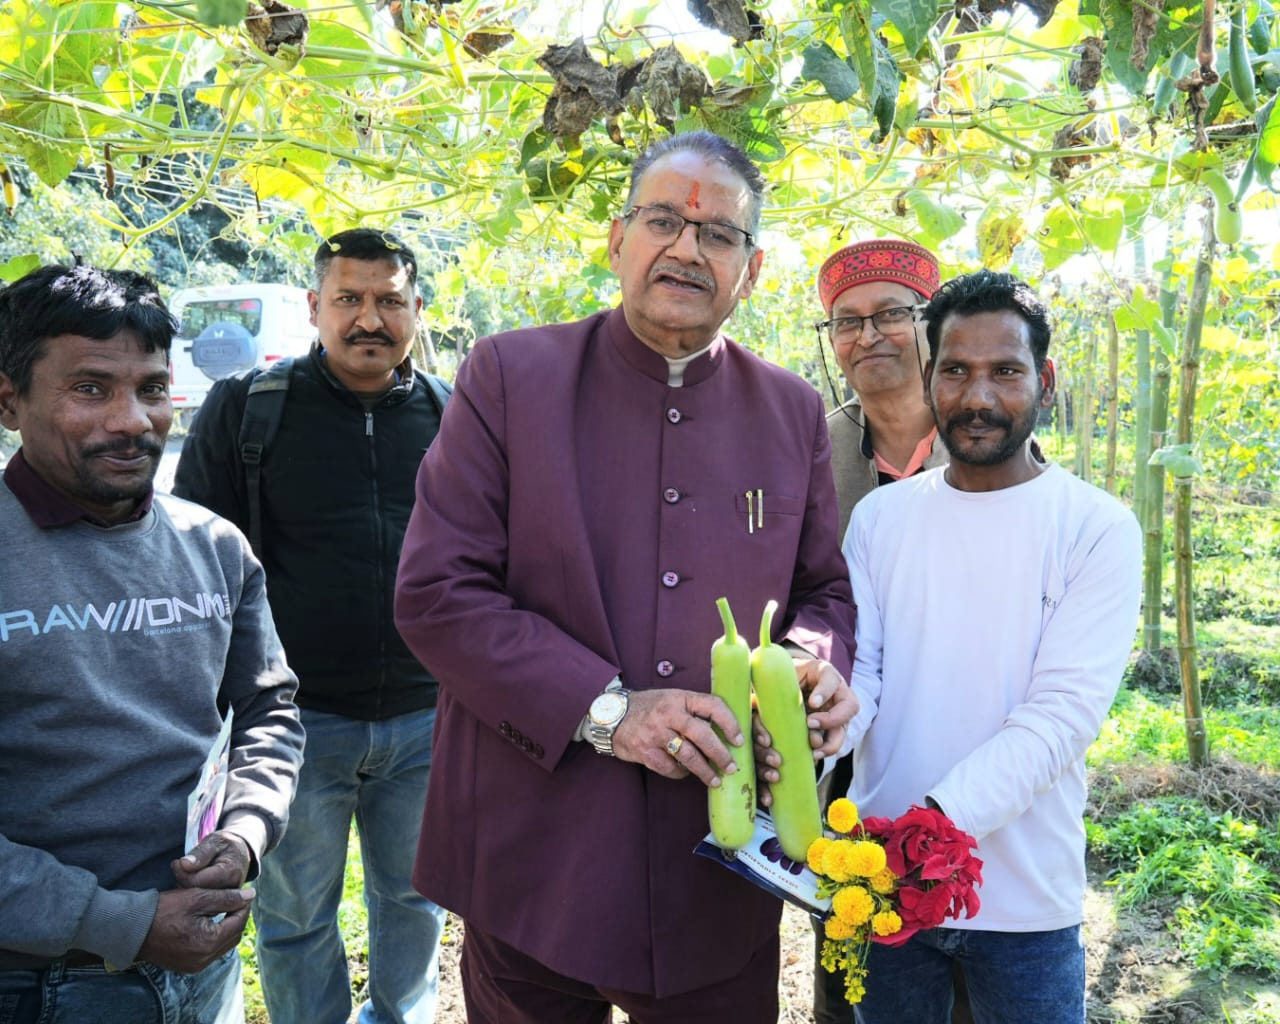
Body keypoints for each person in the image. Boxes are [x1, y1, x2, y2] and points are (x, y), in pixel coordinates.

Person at [393, 130, 859, 1023]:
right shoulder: (509, 377)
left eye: (718, 234)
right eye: (662, 221)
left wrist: (808, 664)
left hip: (715, 864)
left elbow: (821, 592)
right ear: (617, 241)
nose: (687, 248)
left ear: (752, 272)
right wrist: (610, 711)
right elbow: (438, 594)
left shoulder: (791, 409)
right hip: (533, 848)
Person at [0, 263, 304, 1023]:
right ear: (8, 400)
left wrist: (246, 831)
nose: (133, 420)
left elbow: (268, 712)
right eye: (90, 388)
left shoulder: (216, 548)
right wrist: (119, 921)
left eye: (153, 388)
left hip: (204, 968)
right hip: (35, 983)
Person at [841, 270, 1142, 1023]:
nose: (977, 397)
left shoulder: (1095, 528)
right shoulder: (880, 519)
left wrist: (931, 827)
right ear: (930, 379)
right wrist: (812, 725)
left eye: (1005, 372)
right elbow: (864, 674)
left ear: (1045, 380)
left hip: (1024, 898)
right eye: (955, 371)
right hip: (879, 882)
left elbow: (1060, 717)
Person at [174, 228, 450, 1024]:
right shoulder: (249, 408)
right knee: (294, 919)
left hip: (427, 717)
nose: (370, 319)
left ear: (416, 308)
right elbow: (194, 563)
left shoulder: (455, 416)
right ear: (314, 307)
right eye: (349, 299)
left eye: (389, 300)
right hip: (293, 723)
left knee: (417, 900)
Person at [810, 238, 953, 1023]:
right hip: (843, 740)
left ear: (932, 327)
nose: (867, 336)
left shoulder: (986, 438)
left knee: (963, 936)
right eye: (846, 322)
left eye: (890, 315)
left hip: (960, 735)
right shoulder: (811, 446)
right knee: (849, 936)